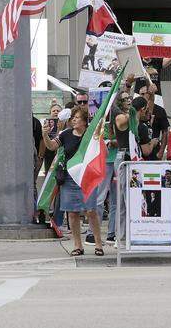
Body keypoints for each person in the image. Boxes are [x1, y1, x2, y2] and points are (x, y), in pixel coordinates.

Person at [44, 106, 104, 256]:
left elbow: (102, 151)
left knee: (91, 211)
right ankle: (78, 245)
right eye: (73, 118)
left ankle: (98, 243)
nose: (74, 120)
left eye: (77, 118)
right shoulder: (65, 134)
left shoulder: (91, 135)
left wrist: (99, 138)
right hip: (70, 177)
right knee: (72, 213)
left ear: (84, 121)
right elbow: (51, 146)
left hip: (87, 176)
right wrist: (45, 135)